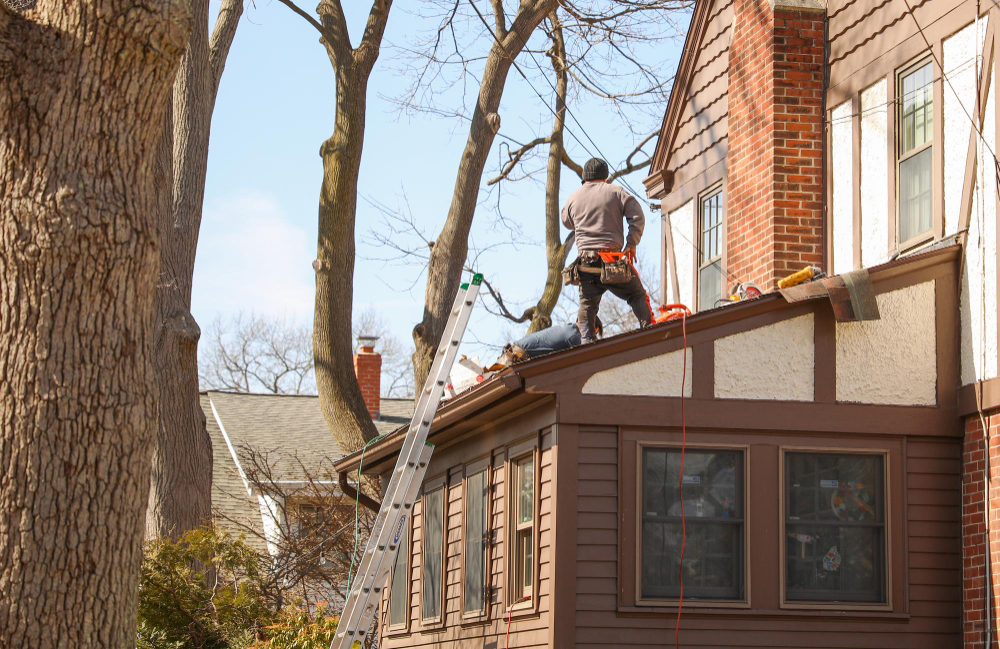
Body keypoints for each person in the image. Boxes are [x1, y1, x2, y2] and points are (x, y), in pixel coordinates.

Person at [561, 158, 652, 343]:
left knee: (587, 304)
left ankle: (586, 342)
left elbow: (567, 222)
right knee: (636, 294)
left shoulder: (573, 198)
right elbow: (637, 216)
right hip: (611, 261)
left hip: (586, 264)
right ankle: (650, 330)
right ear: (604, 177)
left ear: (585, 178)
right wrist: (631, 244)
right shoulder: (615, 192)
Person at [498, 317, 604, 365]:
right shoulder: (572, 334)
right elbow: (587, 353)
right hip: (519, 356)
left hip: (517, 351)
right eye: (593, 333)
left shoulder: (568, 329)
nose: (591, 336)